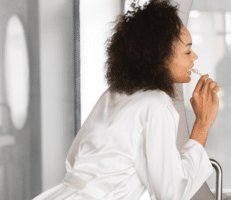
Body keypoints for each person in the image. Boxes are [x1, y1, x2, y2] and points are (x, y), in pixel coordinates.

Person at [33, 0, 220, 199]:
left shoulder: (114, 94)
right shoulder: (156, 104)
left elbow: (74, 157)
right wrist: (202, 124)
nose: (195, 57)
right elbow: (171, 193)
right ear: (160, 55)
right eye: (187, 51)